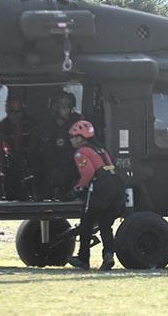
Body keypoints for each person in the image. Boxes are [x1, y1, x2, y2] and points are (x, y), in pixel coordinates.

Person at [66, 120, 126, 271]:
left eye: (72, 137)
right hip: (116, 187)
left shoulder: (81, 153)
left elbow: (88, 173)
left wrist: (77, 189)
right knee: (106, 225)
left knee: (86, 224)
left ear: (80, 138)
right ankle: (108, 255)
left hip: (100, 188)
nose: (71, 140)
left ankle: (83, 258)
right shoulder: (100, 149)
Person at [0, 94, 41, 201]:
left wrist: (25, 156)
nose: (16, 115)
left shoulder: (31, 125)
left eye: (18, 111)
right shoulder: (1, 127)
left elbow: (34, 144)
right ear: (7, 110)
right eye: (12, 111)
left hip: (30, 163)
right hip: (10, 166)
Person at [41, 91, 83, 199]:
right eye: (64, 107)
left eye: (69, 107)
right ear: (55, 108)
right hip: (53, 168)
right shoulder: (47, 126)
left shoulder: (77, 124)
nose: (68, 110)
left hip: (74, 167)